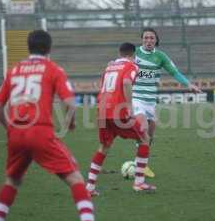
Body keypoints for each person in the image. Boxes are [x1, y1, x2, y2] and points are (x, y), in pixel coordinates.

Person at [0, 30, 110, 221]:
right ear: (49, 48)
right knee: (75, 177)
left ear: (28, 47)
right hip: (40, 132)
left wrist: (9, 128)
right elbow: (69, 102)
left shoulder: (14, 70)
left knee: (12, 180)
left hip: (16, 133)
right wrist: (70, 122)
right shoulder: (53, 69)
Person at [85, 42, 155, 196]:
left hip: (102, 109)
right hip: (118, 110)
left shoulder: (109, 67)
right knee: (144, 138)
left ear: (120, 53)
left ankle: (89, 187)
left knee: (103, 147)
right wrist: (129, 106)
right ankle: (139, 183)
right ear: (133, 55)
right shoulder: (131, 66)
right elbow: (126, 82)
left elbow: (104, 86)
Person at [132, 27, 202, 175]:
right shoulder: (135, 53)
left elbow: (174, 72)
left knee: (150, 135)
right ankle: (138, 168)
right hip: (136, 98)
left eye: (151, 38)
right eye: (146, 38)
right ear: (142, 40)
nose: (148, 40)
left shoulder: (161, 57)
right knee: (143, 128)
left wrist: (188, 84)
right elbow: (120, 63)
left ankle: (142, 165)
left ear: (156, 40)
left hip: (150, 100)